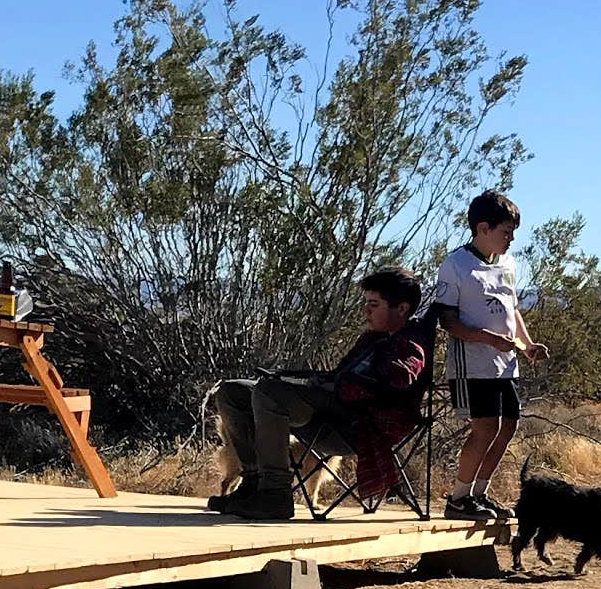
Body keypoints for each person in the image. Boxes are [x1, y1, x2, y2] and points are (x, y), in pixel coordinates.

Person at [206, 268, 433, 521]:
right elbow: (338, 376)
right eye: (366, 303)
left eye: (374, 304)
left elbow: (400, 376)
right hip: (327, 414)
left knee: (270, 392)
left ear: (401, 309)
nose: (366, 311)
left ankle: (275, 494)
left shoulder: (410, 344)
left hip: (356, 427)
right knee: (232, 390)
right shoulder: (373, 339)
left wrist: (351, 382)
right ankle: (253, 482)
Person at [430, 189, 528, 519]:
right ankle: (459, 497)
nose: (511, 239)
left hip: (505, 365)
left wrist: (526, 345)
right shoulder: (456, 265)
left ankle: (480, 493)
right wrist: (486, 338)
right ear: (483, 228)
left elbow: (512, 309)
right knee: (484, 427)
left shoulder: (508, 264)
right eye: (506, 232)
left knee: (508, 426)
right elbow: (448, 321)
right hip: (472, 365)